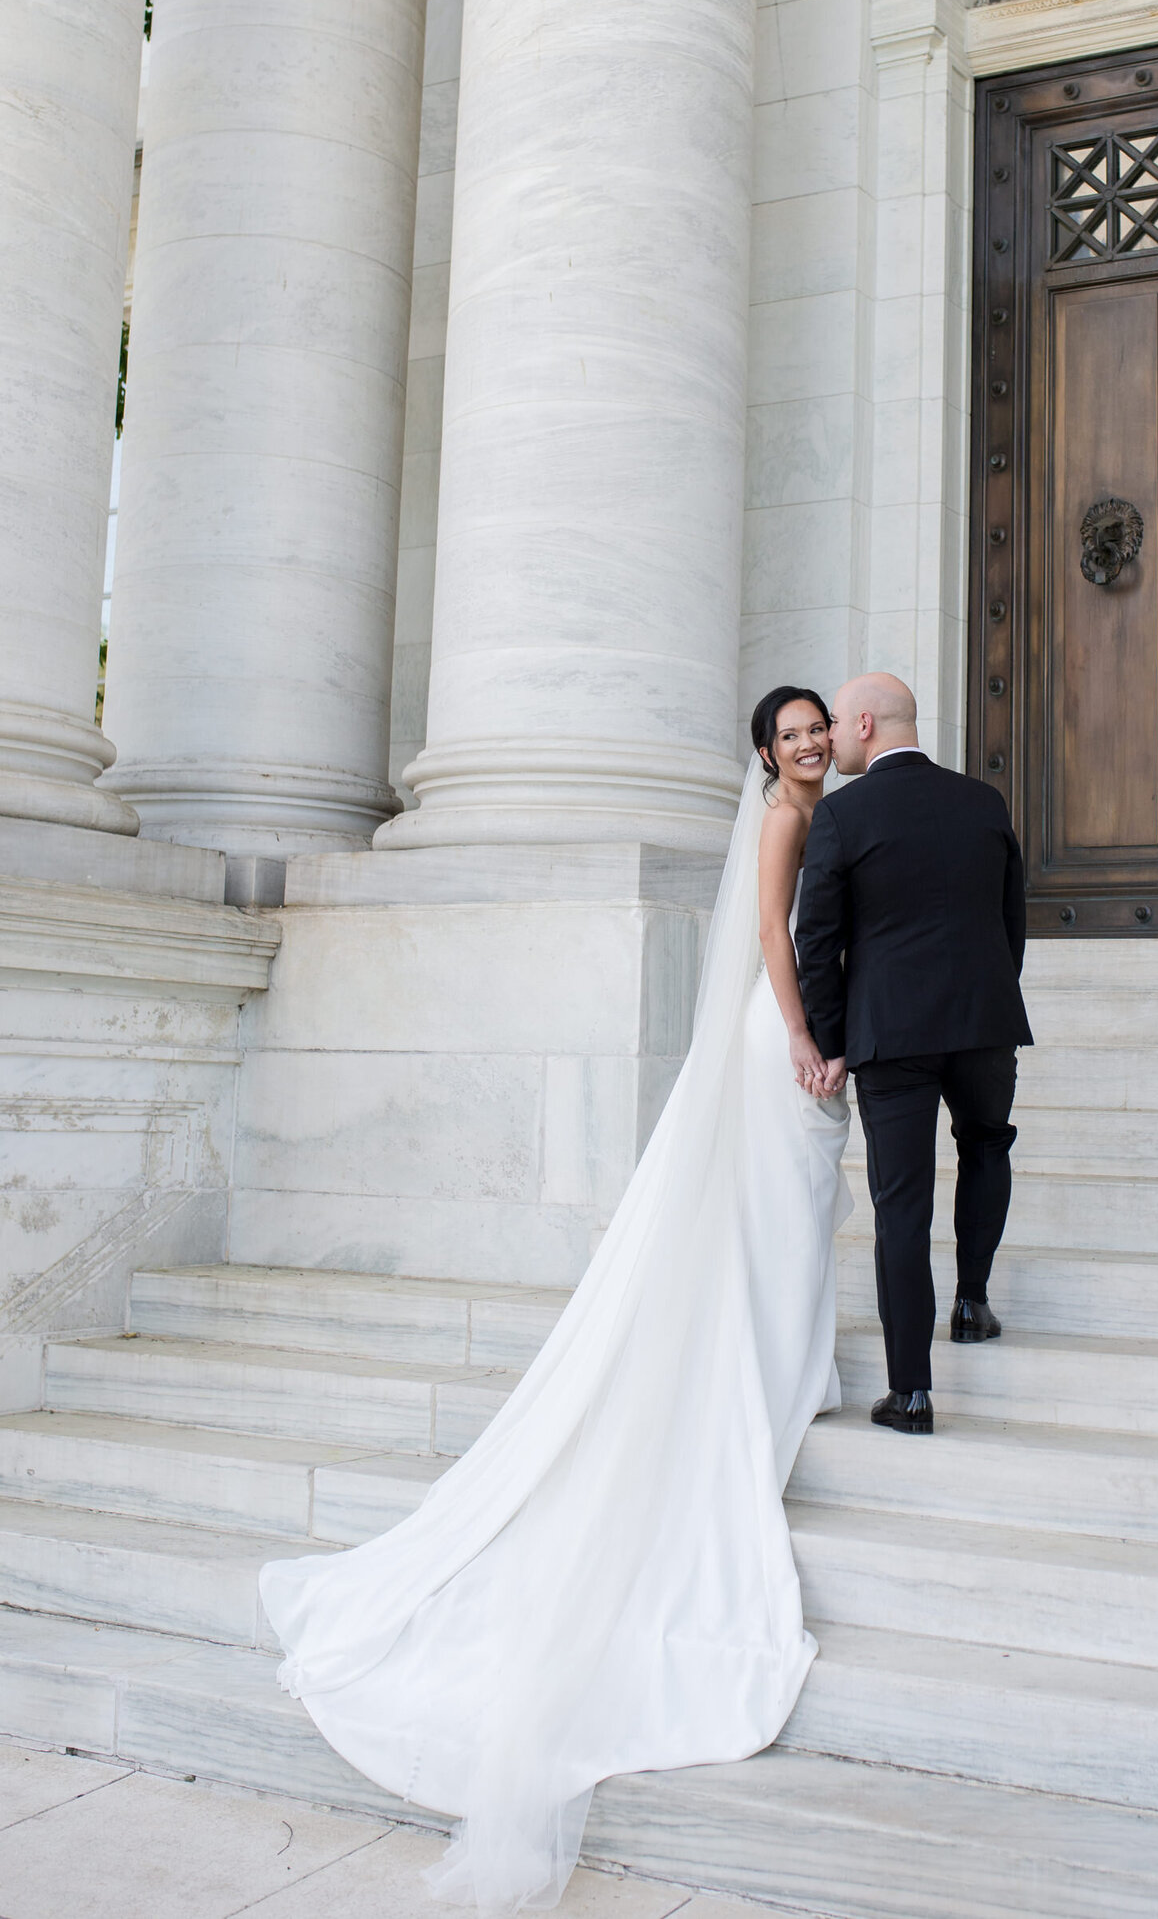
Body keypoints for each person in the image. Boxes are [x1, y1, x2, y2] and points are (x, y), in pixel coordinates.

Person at [258, 690, 852, 1915]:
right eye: (789, 731)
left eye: (815, 727)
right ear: (762, 751)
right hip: (774, 1038)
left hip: (789, 1039)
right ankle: (772, 1377)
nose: (805, 741)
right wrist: (801, 1038)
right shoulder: (785, 823)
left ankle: (787, 1367)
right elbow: (773, 941)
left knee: (786, 1221)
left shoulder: (826, 808)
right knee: (779, 1214)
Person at [794, 673, 1031, 1435]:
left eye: (834, 724)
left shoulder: (841, 814)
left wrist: (828, 1042)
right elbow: (1010, 923)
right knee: (987, 1146)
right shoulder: (984, 803)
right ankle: (971, 1301)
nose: (828, 740)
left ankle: (912, 1392)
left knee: (903, 1204)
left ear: (864, 723)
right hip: (984, 1021)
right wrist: (990, 999)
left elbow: (817, 943)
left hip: (890, 1035)